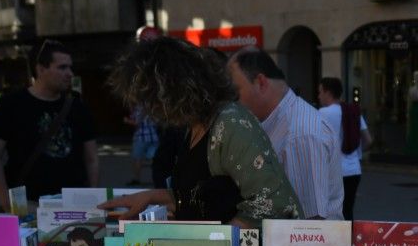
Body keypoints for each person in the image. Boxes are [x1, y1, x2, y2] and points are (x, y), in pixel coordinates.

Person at [96, 37, 301, 227]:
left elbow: (275, 204)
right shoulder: (193, 125)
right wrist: (151, 196)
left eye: (152, 99)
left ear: (175, 91)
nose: (151, 110)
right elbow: (201, 196)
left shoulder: (230, 122)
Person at [228, 49, 343, 220]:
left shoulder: (300, 135)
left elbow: (308, 224)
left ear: (261, 82)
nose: (233, 100)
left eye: (236, 92)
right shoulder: (284, 124)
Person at [0, 39, 97, 209]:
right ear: (41, 69)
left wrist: (92, 199)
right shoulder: (11, 105)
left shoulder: (77, 107)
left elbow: (92, 158)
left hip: (73, 206)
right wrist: (7, 202)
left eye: (70, 67)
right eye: (62, 67)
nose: (70, 73)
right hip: (28, 205)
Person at [317, 76, 372, 221]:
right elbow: (368, 140)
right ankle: (348, 241)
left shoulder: (322, 113)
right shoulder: (352, 112)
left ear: (327, 92)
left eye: (320, 92)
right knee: (348, 211)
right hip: (354, 170)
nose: (319, 96)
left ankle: (336, 242)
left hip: (334, 172)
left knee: (332, 213)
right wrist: (356, 153)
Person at [125, 105, 159, 185]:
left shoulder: (139, 108)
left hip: (141, 137)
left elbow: (137, 122)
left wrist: (127, 120)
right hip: (154, 137)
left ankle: (136, 179)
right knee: (153, 158)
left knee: (137, 158)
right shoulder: (153, 108)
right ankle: (157, 178)